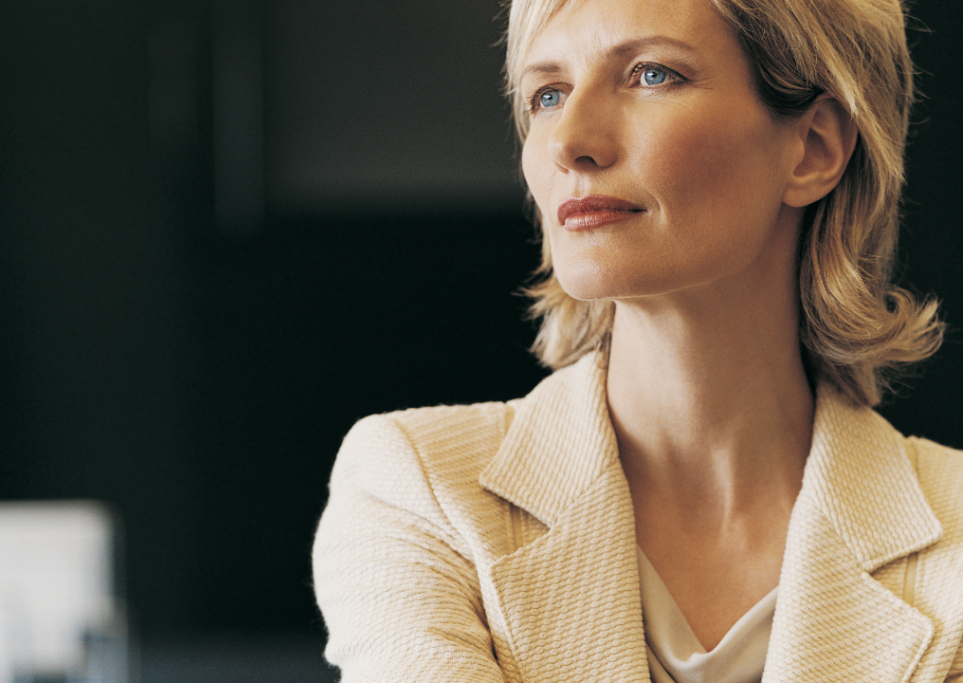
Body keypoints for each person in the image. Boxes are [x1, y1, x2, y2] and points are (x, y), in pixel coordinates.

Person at [313, 0, 963, 679]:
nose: (570, 140)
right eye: (548, 93)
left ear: (814, 148)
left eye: (651, 74)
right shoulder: (416, 488)